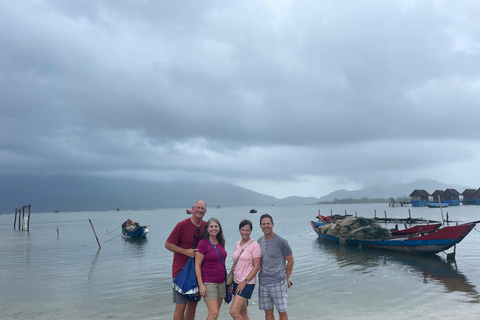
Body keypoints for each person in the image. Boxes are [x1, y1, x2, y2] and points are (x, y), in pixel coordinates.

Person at [165, 200, 208, 320]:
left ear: (205, 211)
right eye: (198, 208)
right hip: (180, 271)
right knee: (180, 306)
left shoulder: (206, 226)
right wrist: (186, 252)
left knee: (193, 305)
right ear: (193, 209)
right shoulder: (181, 225)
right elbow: (168, 244)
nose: (200, 210)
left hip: (197, 272)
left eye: (202, 209)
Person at [257, 214, 294, 320]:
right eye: (263, 224)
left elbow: (290, 261)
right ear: (260, 226)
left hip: (278, 281)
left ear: (272, 224)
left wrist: (287, 278)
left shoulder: (281, 242)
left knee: (281, 311)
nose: (266, 226)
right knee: (267, 312)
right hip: (263, 282)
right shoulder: (259, 241)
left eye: (268, 223)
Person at [195, 218, 227, 320]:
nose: (214, 228)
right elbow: (197, 265)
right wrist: (201, 285)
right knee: (213, 313)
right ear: (207, 229)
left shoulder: (221, 242)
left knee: (216, 313)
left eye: (216, 226)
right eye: (211, 226)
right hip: (209, 283)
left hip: (222, 282)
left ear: (219, 228)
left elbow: (222, 261)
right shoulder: (203, 243)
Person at [230, 219, 261, 320]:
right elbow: (237, 264)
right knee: (242, 312)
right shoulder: (237, 244)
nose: (245, 232)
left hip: (247, 282)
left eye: (247, 230)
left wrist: (245, 281)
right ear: (239, 230)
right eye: (243, 230)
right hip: (236, 281)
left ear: (251, 231)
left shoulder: (255, 245)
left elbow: (257, 267)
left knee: (234, 312)